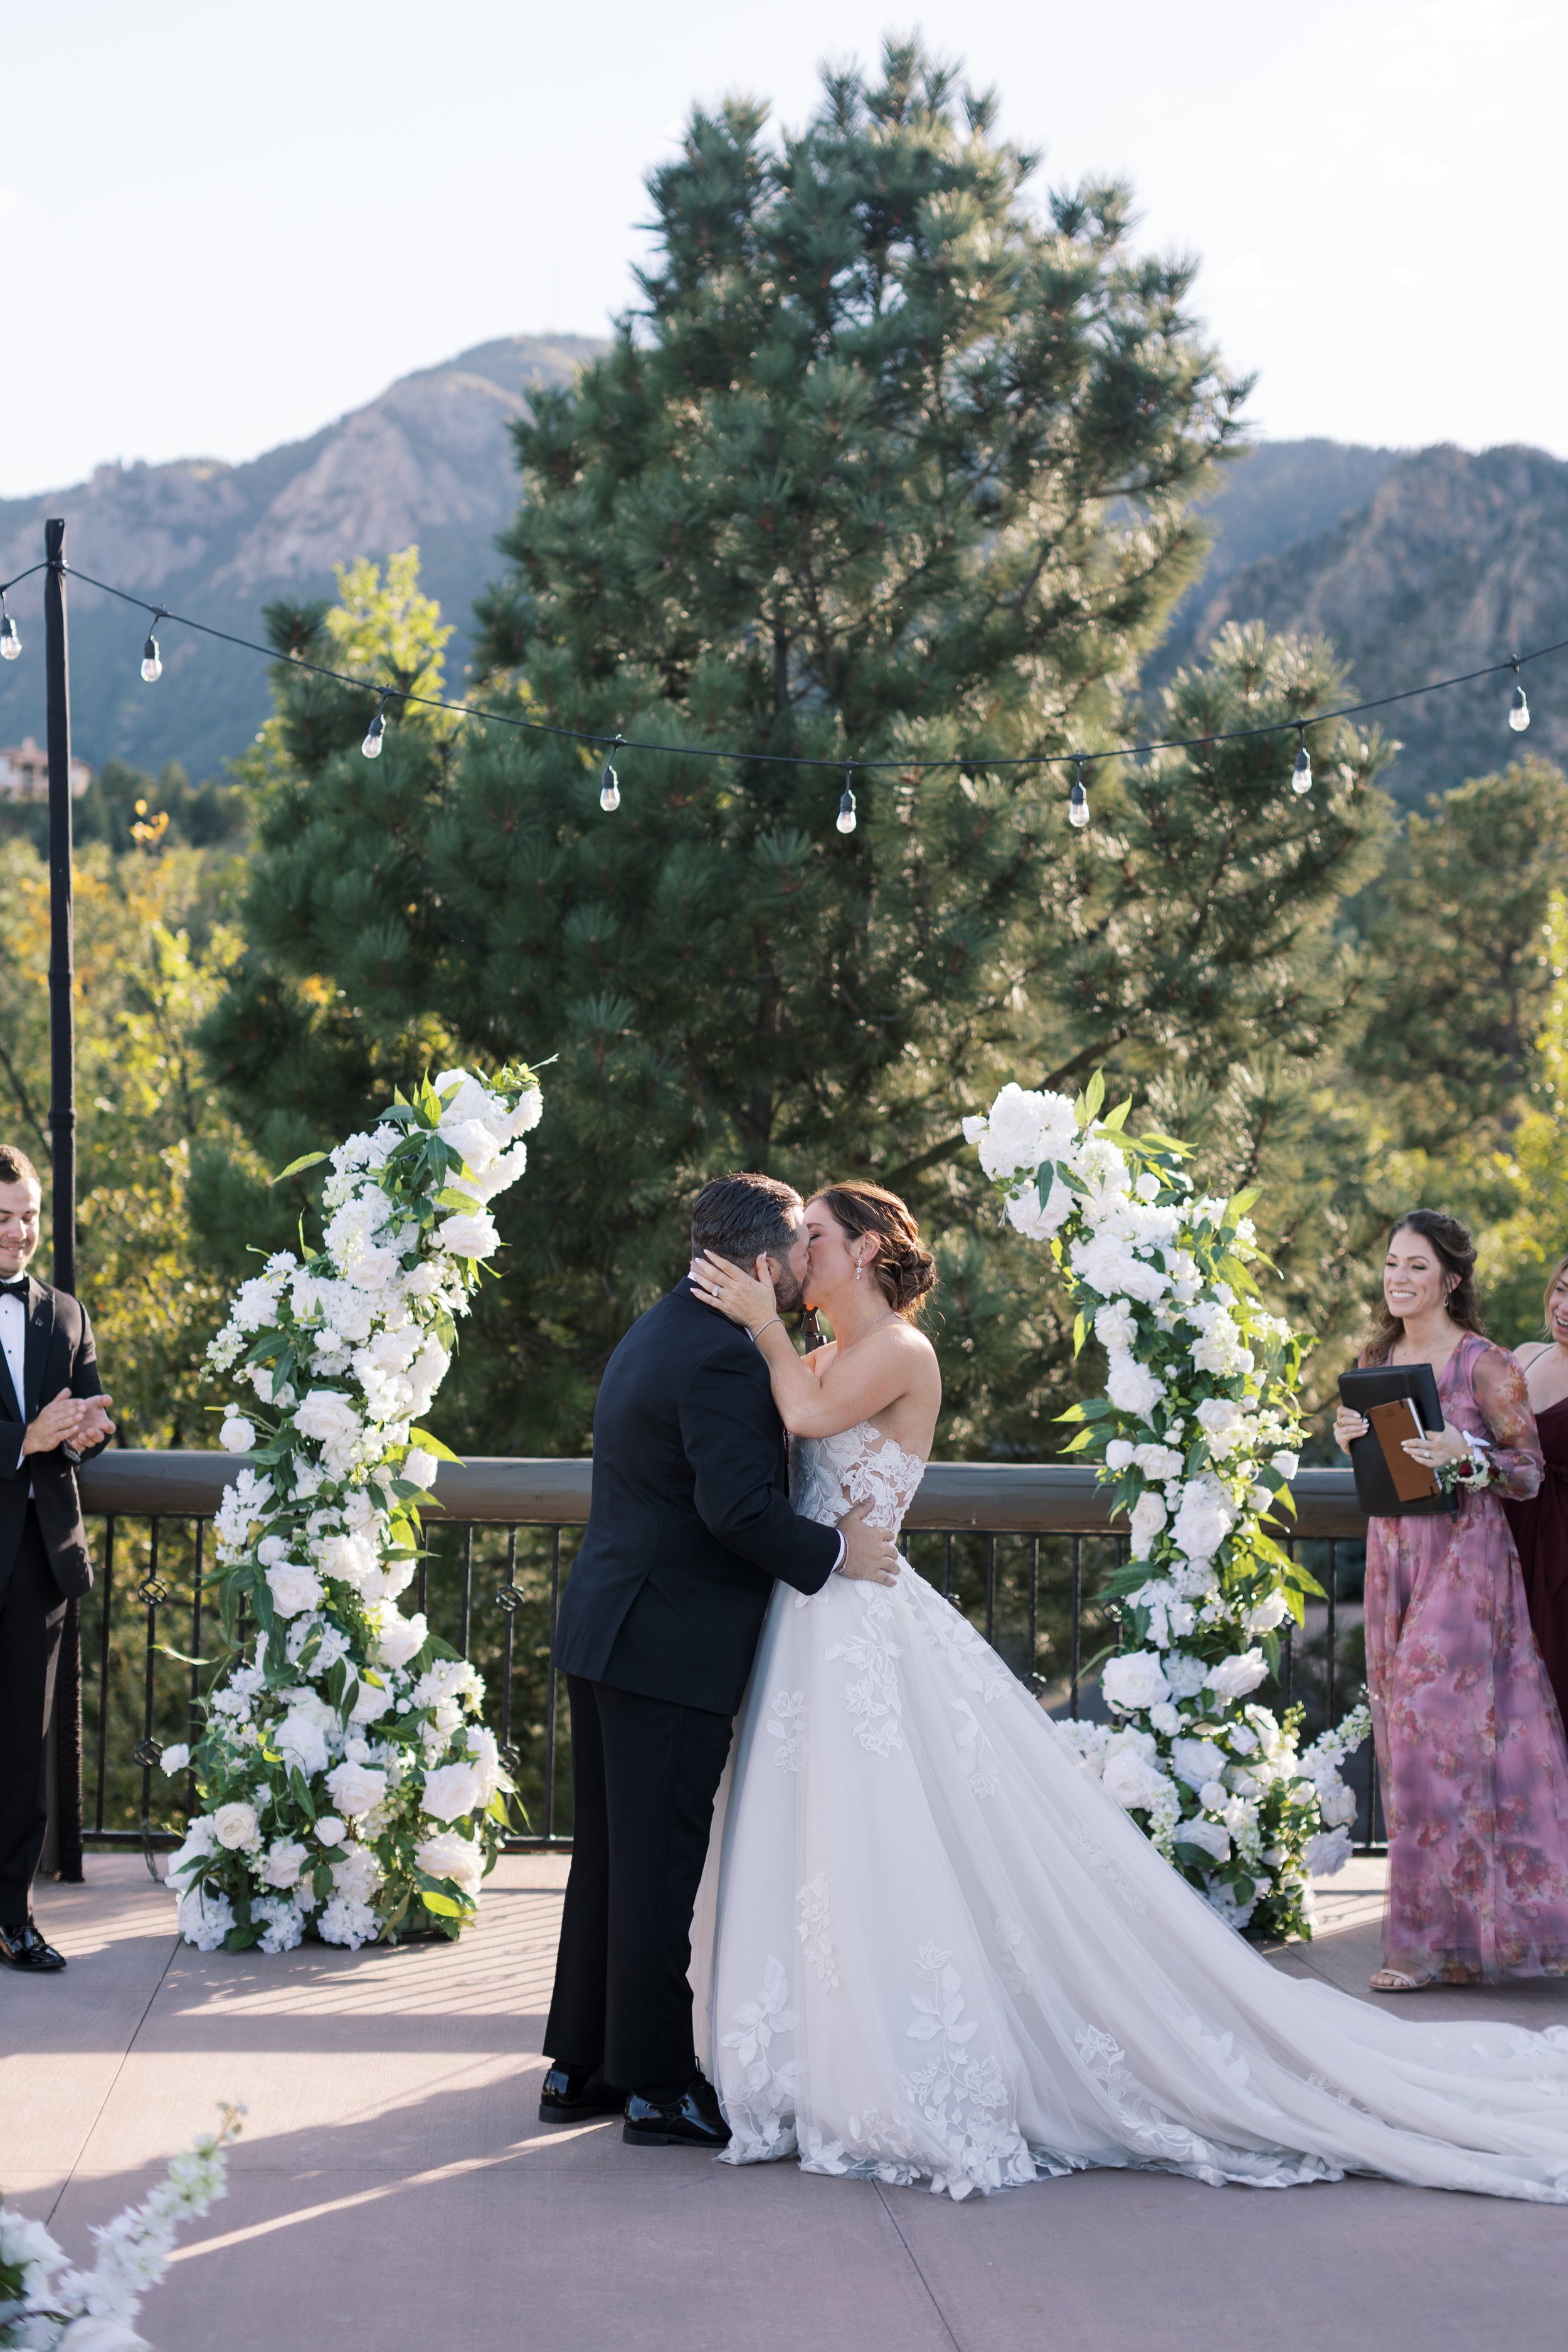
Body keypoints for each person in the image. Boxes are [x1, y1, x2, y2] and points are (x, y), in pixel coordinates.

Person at [684, 1182, 1568, 2203]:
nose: (802, 1252)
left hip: (866, 1617)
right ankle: (818, 2052)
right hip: (818, 1610)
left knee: (893, 1832)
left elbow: (800, 1411)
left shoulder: (896, 1350)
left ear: (871, 1245)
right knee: (834, 1837)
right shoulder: (825, 1346)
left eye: (821, 1236)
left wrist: (756, 1322)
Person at [538, 1172, 901, 2149]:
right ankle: (657, 2083)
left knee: (612, 1864)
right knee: (656, 1871)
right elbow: (737, 1511)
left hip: (613, 1630)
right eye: (797, 1249)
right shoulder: (724, 1358)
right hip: (666, 1645)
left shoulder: (659, 1328)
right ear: (764, 1259)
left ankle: (583, 2065)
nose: (801, 1267)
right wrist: (835, 1553)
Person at [1333, 1209, 1568, 1994]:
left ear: (1451, 1280)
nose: (1398, 1280)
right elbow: (1382, 1469)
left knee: (1432, 1728)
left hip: (1468, 1562)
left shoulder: (1484, 1365)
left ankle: (1418, 1948)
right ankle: (1458, 1943)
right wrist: (1350, 1435)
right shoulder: (1375, 1359)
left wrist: (1468, 1455)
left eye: (1416, 1268)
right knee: (1412, 1744)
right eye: (1392, 1265)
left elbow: (1528, 1472)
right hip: (1392, 1555)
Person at [0, 1143, 115, 1973]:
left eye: (29, 1214)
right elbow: (29, 1435)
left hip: (41, 1565)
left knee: (21, 1754)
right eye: (4, 1217)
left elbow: (95, 1420)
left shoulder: (67, 1312)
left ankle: (13, 1917)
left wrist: (89, 1434)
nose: (19, 1231)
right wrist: (22, 1438)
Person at [1506, 1250, 1568, 1727]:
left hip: (1561, 1548)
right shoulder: (1526, 1355)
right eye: (1562, 1291)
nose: (1565, 1308)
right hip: (1505, 1533)